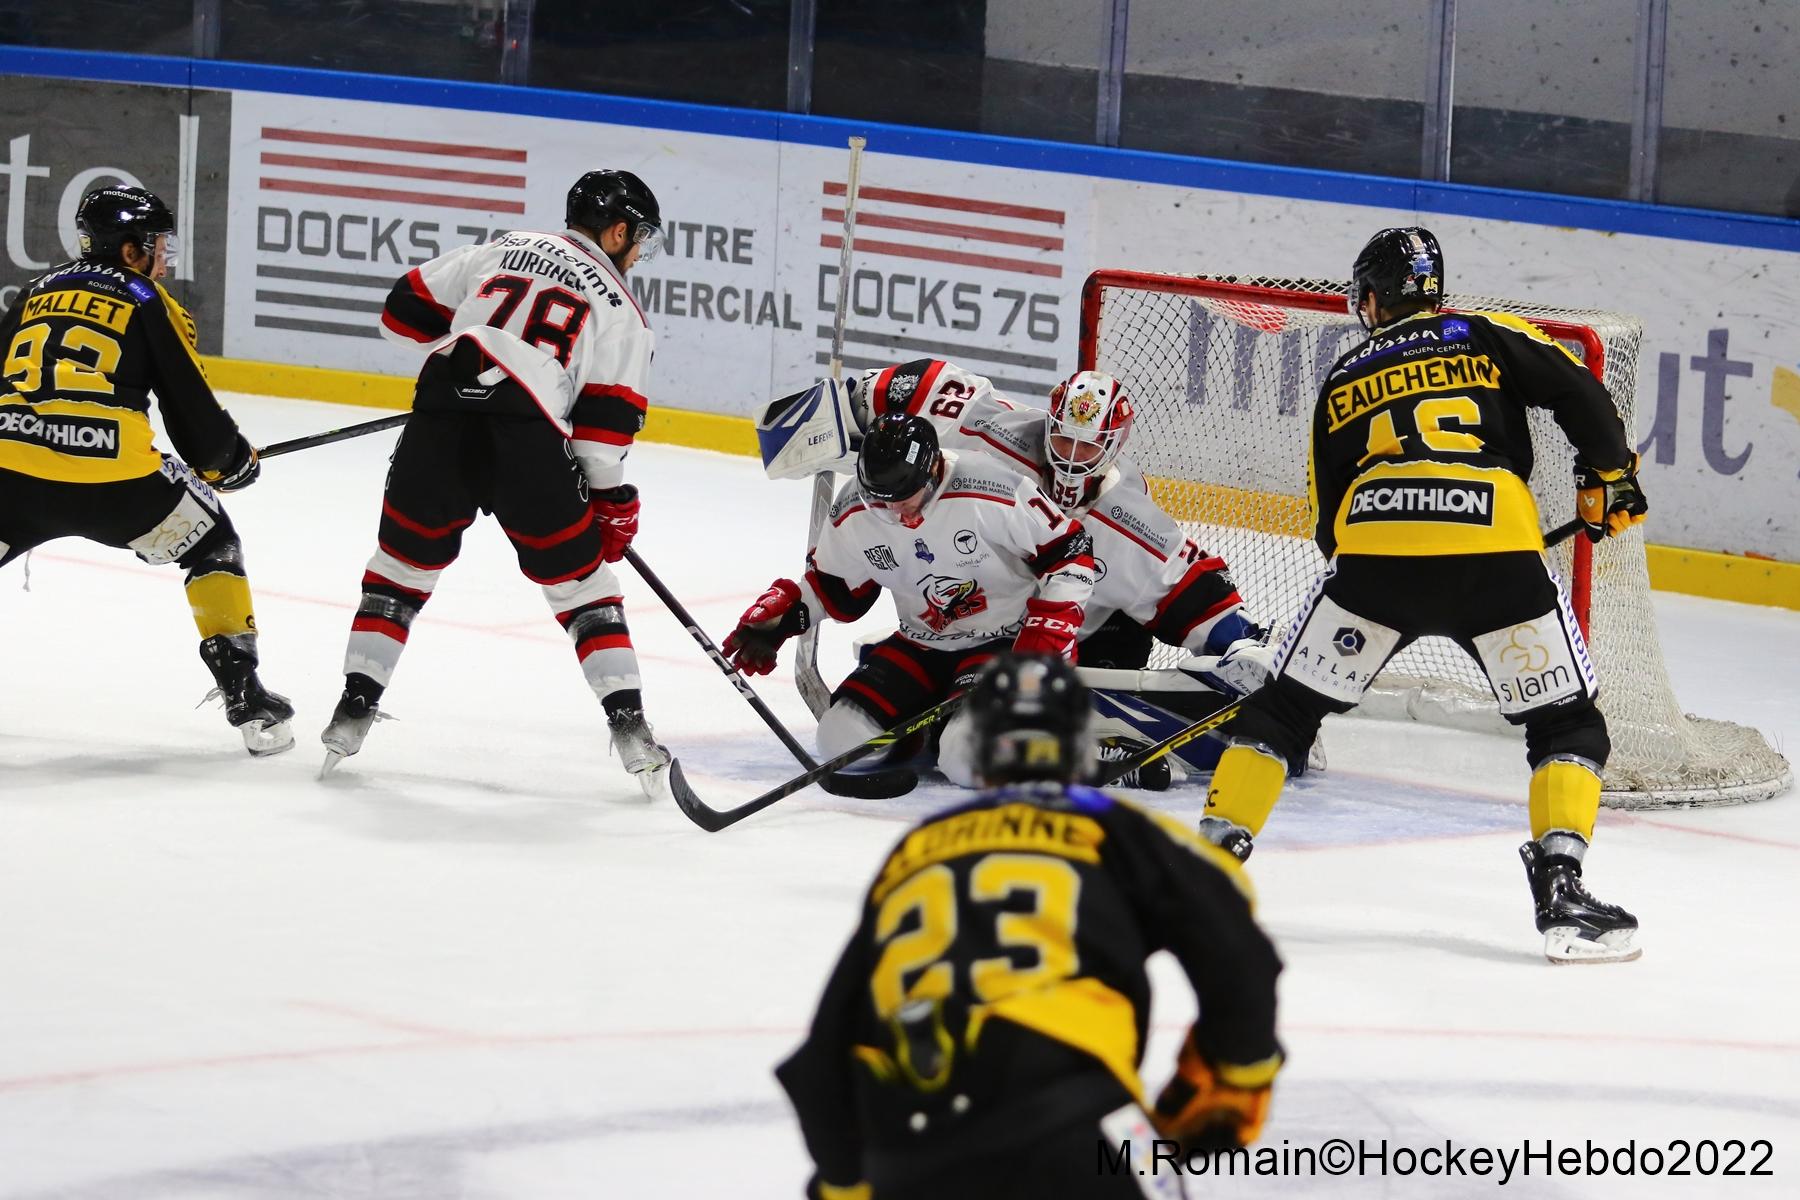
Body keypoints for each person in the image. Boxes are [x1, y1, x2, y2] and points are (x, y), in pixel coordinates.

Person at [1197, 227, 1649, 964]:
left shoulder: (1345, 374)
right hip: (1496, 552)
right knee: (1566, 723)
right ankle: (1562, 890)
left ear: (1375, 298)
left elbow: (1327, 523)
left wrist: (1379, 576)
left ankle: (1206, 874)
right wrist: (1609, 475)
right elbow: (1579, 389)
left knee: (1284, 712)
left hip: (1375, 560)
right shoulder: (1483, 332)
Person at [776, 653, 1284, 1199]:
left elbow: (827, 1048)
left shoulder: (916, 851)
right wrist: (1238, 1076)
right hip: (1073, 1113)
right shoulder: (1111, 827)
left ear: (979, 746)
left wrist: (846, 1182)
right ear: (1078, 741)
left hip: (912, 1136)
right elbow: (1234, 947)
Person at [319, 169, 674, 797]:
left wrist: (475, 355)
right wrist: (609, 501)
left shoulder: (499, 248)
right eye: (638, 236)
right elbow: (603, 434)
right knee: (584, 589)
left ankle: (352, 709)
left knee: (399, 572)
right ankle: (632, 732)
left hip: (439, 420)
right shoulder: (622, 309)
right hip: (529, 441)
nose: (639, 250)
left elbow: (400, 315)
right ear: (617, 232)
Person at [846, 360, 1288, 789]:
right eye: (1063, 439)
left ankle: (1076, 753)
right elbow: (924, 385)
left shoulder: (1129, 519)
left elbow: (1193, 588)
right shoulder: (1003, 434)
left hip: (1086, 633)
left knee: (1048, 704)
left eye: (1089, 446)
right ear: (1049, 423)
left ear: (1114, 444)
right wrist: (846, 405)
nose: (1072, 458)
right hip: (982, 627)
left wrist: (1245, 643)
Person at [0, 185, 291, 755]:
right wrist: (227, 461)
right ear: (130, 249)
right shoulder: (147, 299)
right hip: (118, 483)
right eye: (157, 244)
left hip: (13, 474)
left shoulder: (32, 291)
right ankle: (247, 699)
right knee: (212, 543)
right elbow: (189, 406)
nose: (164, 257)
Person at [722, 412, 1095, 786]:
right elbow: (834, 587)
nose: (893, 511)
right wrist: (783, 620)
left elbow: (1070, 551)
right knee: (839, 744)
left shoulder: (989, 486)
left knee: (968, 760)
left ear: (932, 471)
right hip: (919, 643)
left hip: (1001, 643)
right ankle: (926, 737)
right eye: (880, 499)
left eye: (903, 498)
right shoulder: (855, 505)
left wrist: (1049, 632)